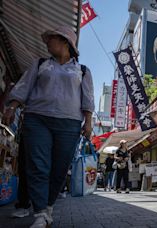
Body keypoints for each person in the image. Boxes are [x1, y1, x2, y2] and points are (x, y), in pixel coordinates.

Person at [2, 26, 94, 228]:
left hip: (69, 123)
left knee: (60, 169)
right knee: (38, 166)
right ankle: (41, 213)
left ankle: (48, 206)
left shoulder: (83, 70)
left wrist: (88, 122)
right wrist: (12, 106)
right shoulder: (40, 64)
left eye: (50, 39)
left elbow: (87, 99)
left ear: (64, 42)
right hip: (37, 119)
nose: (47, 43)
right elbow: (24, 87)